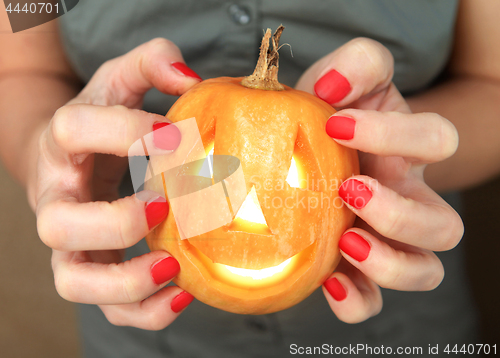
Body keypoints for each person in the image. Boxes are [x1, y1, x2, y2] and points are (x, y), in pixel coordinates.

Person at [1, 0, 498, 357]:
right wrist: (48, 159)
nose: (252, 218)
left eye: (289, 175)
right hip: (138, 331)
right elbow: (20, 66)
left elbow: (491, 80)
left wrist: (382, 162)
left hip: (401, 332)